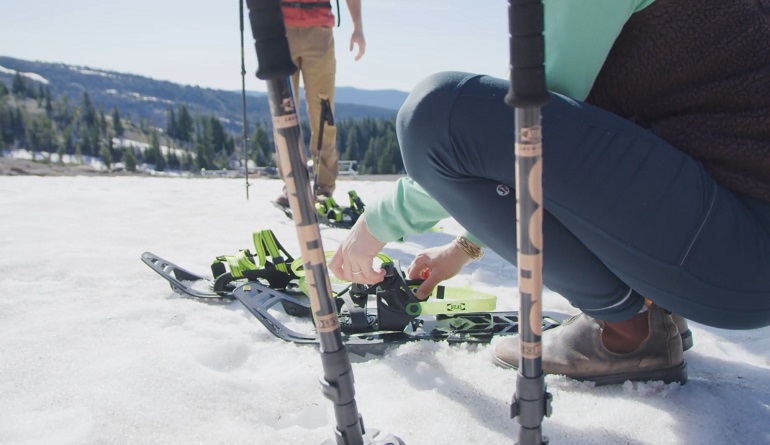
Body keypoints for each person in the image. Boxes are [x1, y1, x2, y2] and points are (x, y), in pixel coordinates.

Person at [329, 0, 770, 386]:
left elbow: (525, 129)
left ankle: (625, 332)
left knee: (435, 116)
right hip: (728, 244)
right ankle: (653, 305)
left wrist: (379, 222)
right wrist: (464, 248)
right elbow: (574, 145)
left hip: (736, 254)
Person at [275, 0, 366, 207]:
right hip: (280, 28)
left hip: (319, 29)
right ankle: (291, 185)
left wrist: (358, 28)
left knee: (324, 113)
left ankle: (323, 187)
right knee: (283, 111)